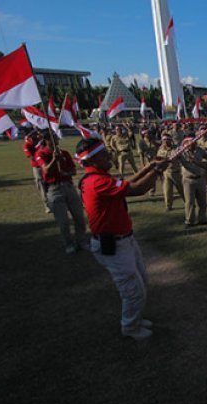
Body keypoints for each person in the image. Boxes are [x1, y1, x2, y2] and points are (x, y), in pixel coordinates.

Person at [76, 137, 166, 340]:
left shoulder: (100, 177)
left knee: (141, 280)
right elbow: (137, 189)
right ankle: (130, 327)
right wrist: (158, 171)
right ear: (91, 160)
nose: (109, 156)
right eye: (103, 154)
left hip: (124, 240)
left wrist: (149, 166)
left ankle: (135, 318)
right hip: (114, 244)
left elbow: (127, 183)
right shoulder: (97, 182)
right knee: (133, 290)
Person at [35, 133, 88, 254]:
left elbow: (73, 170)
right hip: (55, 190)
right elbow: (46, 170)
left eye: (56, 137)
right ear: (46, 140)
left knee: (79, 217)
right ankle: (69, 244)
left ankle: (82, 241)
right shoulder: (41, 154)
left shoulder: (64, 153)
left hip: (69, 187)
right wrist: (54, 160)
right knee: (63, 222)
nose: (56, 140)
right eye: (53, 138)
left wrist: (66, 173)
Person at [179, 137, 207, 227]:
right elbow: (172, 158)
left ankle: (202, 219)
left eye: (194, 142)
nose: (194, 144)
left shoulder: (200, 151)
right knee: (189, 202)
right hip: (188, 180)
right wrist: (178, 151)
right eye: (191, 143)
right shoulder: (181, 152)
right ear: (186, 143)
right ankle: (189, 221)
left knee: (202, 201)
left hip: (200, 179)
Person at [23, 131, 51, 213]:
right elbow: (29, 156)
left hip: (47, 164)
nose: (38, 135)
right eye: (36, 134)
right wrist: (40, 159)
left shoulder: (42, 141)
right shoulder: (27, 144)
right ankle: (47, 205)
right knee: (41, 184)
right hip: (37, 167)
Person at [157, 134, 185, 211]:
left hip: (175, 172)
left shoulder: (175, 149)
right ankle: (168, 206)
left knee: (182, 189)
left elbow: (180, 157)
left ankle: (188, 202)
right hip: (166, 173)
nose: (165, 142)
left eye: (167, 140)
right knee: (167, 191)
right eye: (164, 140)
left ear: (170, 141)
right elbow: (158, 160)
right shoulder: (160, 150)